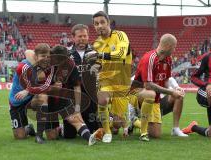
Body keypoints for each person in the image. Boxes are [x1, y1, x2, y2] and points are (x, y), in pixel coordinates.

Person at [85, 11, 132, 143]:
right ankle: (107, 132)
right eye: (96, 24)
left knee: (118, 123)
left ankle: (116, 123)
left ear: (108, 22)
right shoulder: (97, 44)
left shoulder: (120, 35)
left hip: (122, 81)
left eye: (102, 22)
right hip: (105, 79)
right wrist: (93, 68)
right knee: (102, 100)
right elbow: (99, 64)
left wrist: (100, 56)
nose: (99, 26)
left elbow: (121, 54)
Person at [130, 33, 186, 141]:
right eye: (174, 47)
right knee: (151, 93)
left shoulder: (168, 59)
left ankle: (175, 128)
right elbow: (148, 85)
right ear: (169, 46)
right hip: (138, 94)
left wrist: (176, 88)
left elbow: (166, 80)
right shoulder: (149, 58)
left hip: (155, 99)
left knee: (156, 134)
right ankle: (135, 120)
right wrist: (171, 92)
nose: (174, 50)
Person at [63, 24, 100, 139]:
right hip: (72, 96)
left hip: (90, 97)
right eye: (79, 36)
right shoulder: (67, 54)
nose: (82, 38)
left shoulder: (95, 53)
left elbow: (100, 72)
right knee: (69, 136)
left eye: (85, 36)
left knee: (91, 130)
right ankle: (61, 127)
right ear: (73, 38)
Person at [8, 49, 37, 139]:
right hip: (17, 100)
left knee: (43, 97)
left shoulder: (46, 66)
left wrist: (28, 91)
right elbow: (28, 51)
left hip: (32, 97)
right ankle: (29, 128)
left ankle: (50, 127)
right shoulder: (24, 66)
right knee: (20, 136)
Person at [181, 52, 211, 137]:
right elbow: (194, 77)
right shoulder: (207, 57)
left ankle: (193, 127)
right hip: (205, 92)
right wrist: (207, 84)